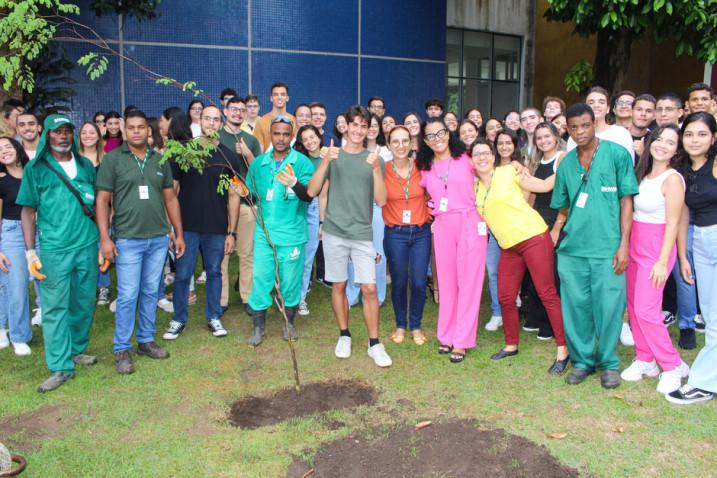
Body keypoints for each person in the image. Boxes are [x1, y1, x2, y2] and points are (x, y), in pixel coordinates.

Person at [550, 103, 639, 389]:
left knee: (609, 307)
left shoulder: (616, 155)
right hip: (573, 250)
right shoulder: (566, 164)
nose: (580, 132)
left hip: (608, 249)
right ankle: (583, 361)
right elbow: (562, 206)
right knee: (576, 307)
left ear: (595, 122)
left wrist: (623, 244)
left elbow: (627, 201)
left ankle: (609, 363)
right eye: (573, 127)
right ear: (568, 129)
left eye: (585, 125)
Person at [96, 110, 186, 374]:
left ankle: (146, 340)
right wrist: (105, 238)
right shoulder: (112, 160)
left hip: (158, 238)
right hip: (127, 239)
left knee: (150, 291)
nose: (136, 131)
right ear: (124, 131)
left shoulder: (160, 160)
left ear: (149, 132)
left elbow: (170, 199)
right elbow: (102, 200)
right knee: (127, 295)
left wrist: (178, 232)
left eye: (141, 127)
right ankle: (122, 347)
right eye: (131, 127)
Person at [17, 114, 100, 393]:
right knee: (54, 308)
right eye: (57, 132)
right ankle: (60, 365)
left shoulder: (86, 165)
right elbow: (28, 212)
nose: (63, 136)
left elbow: (100, 205)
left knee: (84, 301)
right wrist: (30, 252)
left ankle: (76, 349)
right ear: (47, 135)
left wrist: (102, 241)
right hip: (54, 249)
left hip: (87, 245)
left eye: (67, 131)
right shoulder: (36, 169)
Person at [471, 139, 569, 373]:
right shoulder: (475, 188)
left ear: (493, 156)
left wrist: (565, 164)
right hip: (509, 246)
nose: (482, 158)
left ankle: (563, 349)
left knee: (547, 293)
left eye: (486, 153)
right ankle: (511, 344)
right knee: (505, 296)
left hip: (534, 237)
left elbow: (544, 185)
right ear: (471, 161)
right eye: (477, 154)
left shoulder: (508, 172)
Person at [307, 105, 392, 368]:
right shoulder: (334, 155)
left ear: (368, 130)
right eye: (353, 124)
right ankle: (344, 334)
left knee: (369, 288)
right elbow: (312, 190)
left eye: (363, 126)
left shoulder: (375, 159)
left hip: (362, 233)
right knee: (339, 285)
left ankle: (374, 343)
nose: (357, 130)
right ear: (346, 126)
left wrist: (376, 170)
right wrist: (325, 161)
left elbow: (381, 199)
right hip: (334, 231)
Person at [620, 125, 689, 394]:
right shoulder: (643, 174)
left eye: (670, 142)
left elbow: (674, 222)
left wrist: (663, 261)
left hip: (656, 247)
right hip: (636, 244)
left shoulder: (673, 179)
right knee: (635, 307)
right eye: (658, 139)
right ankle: (645, 358)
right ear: (650, 142)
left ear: (676, 149)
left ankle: (673, 365)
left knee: (648, 310)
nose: (662, 145)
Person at [163, 105, 241, 340]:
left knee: (215, 272)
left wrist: (232, 232)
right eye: (207, 118)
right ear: (198, 120)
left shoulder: (229, 157)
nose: (211, 123)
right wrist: (172, 228)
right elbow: (172, 192)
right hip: (186, 227)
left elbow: (233, 196)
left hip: (216, 228)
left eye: (216, 120)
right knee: (184, 274)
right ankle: (178, 319)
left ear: (222, 123)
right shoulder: (184, 152)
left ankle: (214, 316)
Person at [416, 117, 486, 363]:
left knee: (469, 282)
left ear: (449, 133)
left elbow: (490, 177)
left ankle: (463, 340)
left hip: (470, 221)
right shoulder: (424, 167)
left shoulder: (466, 159)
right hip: (443, 225)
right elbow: (421, 195)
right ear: (425, 141)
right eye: (431, 136)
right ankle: (446, 335)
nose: (437, 139)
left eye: (441, 133)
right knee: (446, 282)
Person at [245, 117, 315, 345]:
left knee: (290, 281)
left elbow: (308, 195)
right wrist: (241, 193)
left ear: (291, 135)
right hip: (264, 233)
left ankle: (290, 323)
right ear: (270, 135)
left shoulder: (302, 163)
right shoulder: (258, 164)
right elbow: (252, 194)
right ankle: (258, 328)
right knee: (261, 278)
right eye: (277, 134)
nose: (281, 138)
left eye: (286, 134)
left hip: (292, 233)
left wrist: (294, 182)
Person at [666, 112, 717, 405]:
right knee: (710, 316)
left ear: (712, 137)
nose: (694, 140)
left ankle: (702, 382)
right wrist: (684, 257)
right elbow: (683, 216)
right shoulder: (682, 170)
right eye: (689, 134)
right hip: (700, 244)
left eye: (702, 134)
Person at [382, 126, 431, 345]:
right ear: (389, 144)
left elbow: (434, 192)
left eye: (405, 141)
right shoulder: (382, 169)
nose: (401, 146)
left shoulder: (422, 167)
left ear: (412, 143)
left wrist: (431, 215)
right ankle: (401, 325)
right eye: (395, 141)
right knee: (400, 281)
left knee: (419, 282)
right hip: (395, 234)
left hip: (421, 232)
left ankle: (416, 325)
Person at [520, 122, 566, 339]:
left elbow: (561, 193)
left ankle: (549, 323)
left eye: (547, 136)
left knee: (550, 275)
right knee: (534, 271)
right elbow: (532, 196)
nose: (543, 141)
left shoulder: (563, 158)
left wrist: (557, 227)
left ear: (556, 136)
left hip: (554, 219)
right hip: (536, 220)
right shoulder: (537, 161)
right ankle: (536, 316)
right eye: (539, 138)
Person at [219, 97, 262, 310]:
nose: (237, 113)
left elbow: (260, 173)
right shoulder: (214, 138)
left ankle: (247, 297)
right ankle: (222, 300)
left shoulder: (251, 140)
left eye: (242, 110)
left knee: (247, 254)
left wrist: (248, 154)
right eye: (233, 109)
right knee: (221, 256)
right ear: (225, 111)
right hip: (219, 207)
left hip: (246, 205)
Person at [347, 114, 388, 307]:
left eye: (373, 125)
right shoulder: (351, 151)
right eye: (365, 125)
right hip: (354, 208)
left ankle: (377, 293)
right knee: (352, 251)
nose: (370, 129)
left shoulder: (385, 154)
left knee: (378, 252)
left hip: (376, 207)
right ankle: (353, 292)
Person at [0, 137, 32, 356]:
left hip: (39, 230)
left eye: (7, 146)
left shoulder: (33, 172)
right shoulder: (1, 181)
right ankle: (18, 336)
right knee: (15, 285)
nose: (3, 151)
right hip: (12, 233)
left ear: (17, 148)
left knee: (43, 282)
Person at [79, 121, 111, 306]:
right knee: (84, 251)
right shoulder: (73, 160)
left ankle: (104, 287)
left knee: (102, 248)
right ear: (80, 136)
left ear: (99, 136)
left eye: (92, 132)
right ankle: (86, 288)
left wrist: (113, 210)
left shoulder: (106, 159)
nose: (88, 135)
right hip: (80, 213)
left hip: (102, 211)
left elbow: (113, 188)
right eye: (85, 132)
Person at [294, 125, 325, 316]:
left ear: (319, 136)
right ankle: (287, 293)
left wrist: (322, 222)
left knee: (307, 259)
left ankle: (301, 298)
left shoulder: (327, 158)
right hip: (297, 208)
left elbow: (324, 195)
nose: (310, 142)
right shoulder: (299, 159)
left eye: (312, 137)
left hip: (315, 210)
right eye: (305, 139)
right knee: (292, 255)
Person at [567, 87, 634, 159]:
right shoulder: (575, 136)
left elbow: (627, 166)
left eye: (601, 102)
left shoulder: (621, 134)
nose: (596, 105)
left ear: (608, 109)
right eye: (591, 103)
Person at [254, 82, 297, 152]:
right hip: (269, 162)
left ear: (287, 98)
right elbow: (259, 153)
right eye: (276, 94)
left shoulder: (295, 121)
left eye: (283, 94)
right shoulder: (261, 122)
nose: (279, 97)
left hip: (290, 162)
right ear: (271, 98)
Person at [629, 94, 656, 160]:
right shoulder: (618, 135)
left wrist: (643, 154)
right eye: (639, 109)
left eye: (648, 111)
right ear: (631, 112)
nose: (643, 114)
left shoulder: (656, 141)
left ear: (654, 116)